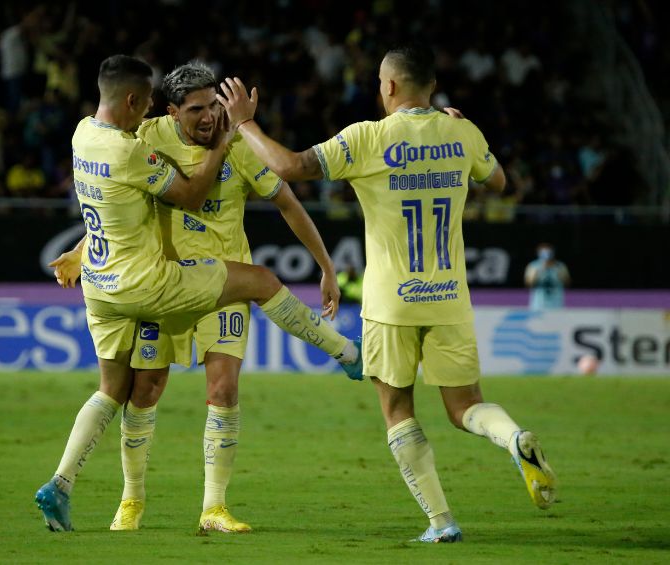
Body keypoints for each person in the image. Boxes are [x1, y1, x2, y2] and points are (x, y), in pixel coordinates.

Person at [216, 43, 557, 543]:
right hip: (450, 299)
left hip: (391, 304)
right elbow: (501, 182)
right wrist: (459, 131)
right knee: (465, 408)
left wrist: (245, 123)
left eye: (380, 82)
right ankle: (513, 438)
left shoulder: (367, 139)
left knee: (398, 411)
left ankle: (441, 522)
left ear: (390, 86)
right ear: (432, 87)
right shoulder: (461, 131)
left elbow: (288, 166)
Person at [35, 54, 362, 533]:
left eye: (214, 106)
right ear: (170, 113)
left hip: (216, 282)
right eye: (196, 110)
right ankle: (131, 500)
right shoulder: (146, 139)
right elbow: (118, 198)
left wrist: (327, 265)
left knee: (223, 389)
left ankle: (214, 508)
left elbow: (289, 204)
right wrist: (81, 249)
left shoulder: (239, 144)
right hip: (161, 282)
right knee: (142, 392)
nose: (210, 117)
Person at [525, 243, 570, 311]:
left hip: (556, 304)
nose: (547, 255)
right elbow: (529, 284)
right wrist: (536, 274)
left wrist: (561, 276)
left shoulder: (560, 266)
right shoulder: (533, 266)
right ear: (539, 253)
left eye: (549, 252)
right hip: (538, 305)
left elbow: (567, 283)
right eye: (543, 252)